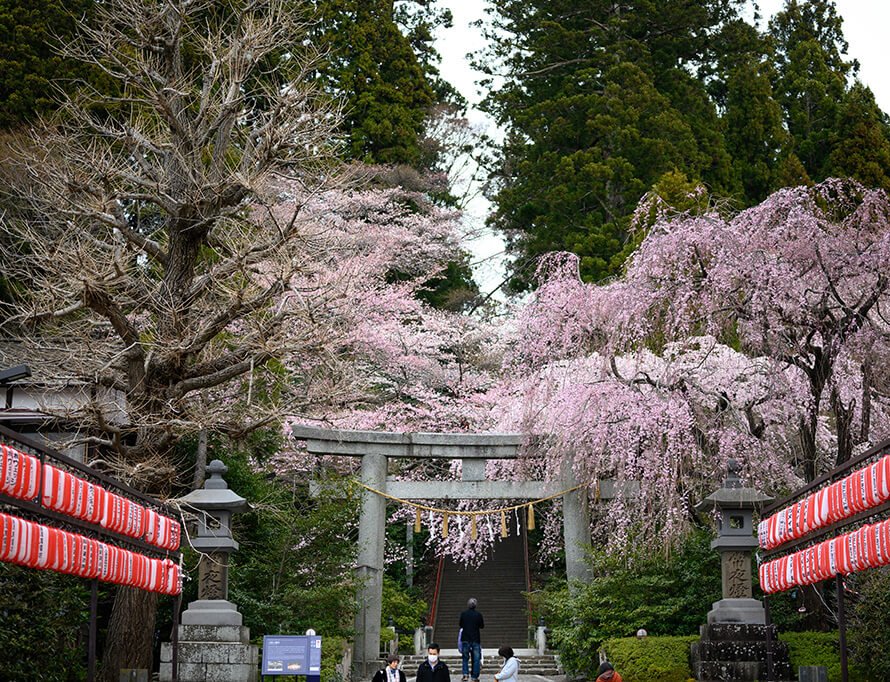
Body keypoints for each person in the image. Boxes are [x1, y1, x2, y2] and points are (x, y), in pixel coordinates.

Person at [458, 597, 484, 682]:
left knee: (465, 658)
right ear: (475, 605)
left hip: (465, 638)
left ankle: (465, 675)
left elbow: (460, 624)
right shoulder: (478, 615)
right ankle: (474, 677)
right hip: (475, 638)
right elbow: (482, 626)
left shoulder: (463, 614)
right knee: (476, 659)